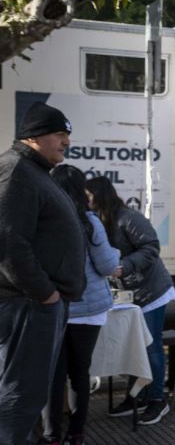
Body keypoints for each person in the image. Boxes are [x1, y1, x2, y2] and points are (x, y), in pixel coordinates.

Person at [0, 102, 86, 444]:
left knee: (26, 394)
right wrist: (45, 294)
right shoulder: (15, 171)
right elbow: (7, 242)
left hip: (36, 305)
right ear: (33, 137)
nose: (66, 141)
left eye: (67, 134)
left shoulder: (32, 171)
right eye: (59, 134)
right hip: (28, 305)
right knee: (20, 395)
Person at [85, 176, 175, 425]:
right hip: (126, 295)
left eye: (89, 197)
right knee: (131, 346)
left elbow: (151, 247)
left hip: (151, 292)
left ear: (100, 196)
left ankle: (158, 399)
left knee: (151, 347)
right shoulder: (96, 220)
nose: (85, 202)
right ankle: (137, 396)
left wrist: (125, 267)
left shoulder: (128, 217)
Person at [41, 165, 120, 445]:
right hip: (88, 311)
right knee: (80, 374)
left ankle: (51, 435)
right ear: (80, 189)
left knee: (54, 374)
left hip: (53, 306)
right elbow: (108, 265)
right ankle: (77, 433)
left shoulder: (43, 218)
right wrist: (117, 254)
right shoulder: (89, 221)